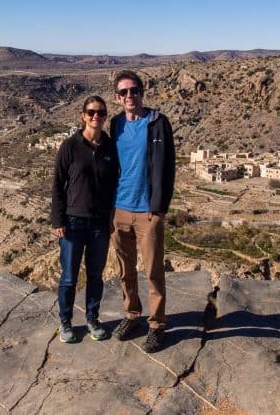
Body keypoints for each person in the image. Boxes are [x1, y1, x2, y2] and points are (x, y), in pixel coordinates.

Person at [109, 70, 175, 353]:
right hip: (119, 209)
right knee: (125, 270)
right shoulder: (115, 124)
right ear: (117, 97)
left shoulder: (158, 123)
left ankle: (157, 324)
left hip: (148, 211)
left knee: (153, 271)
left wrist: (160, 209)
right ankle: (132, 315)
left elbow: (169, 167)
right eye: (123, 92)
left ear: (142, 92)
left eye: (134, 90)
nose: (129, 96)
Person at [51, 96, 118, 343]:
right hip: (72, 222)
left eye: (101, 113)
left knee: (95, 275)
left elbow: (114, 186)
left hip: (100, 223)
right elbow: (58, 184)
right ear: (83, 115)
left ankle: (92, 318)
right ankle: (65, 322)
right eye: (91, 112)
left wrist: (112, 217)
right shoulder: (70, 146)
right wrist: (57, 221)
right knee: (69, 276)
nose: (96, 117)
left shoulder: (110, 147)